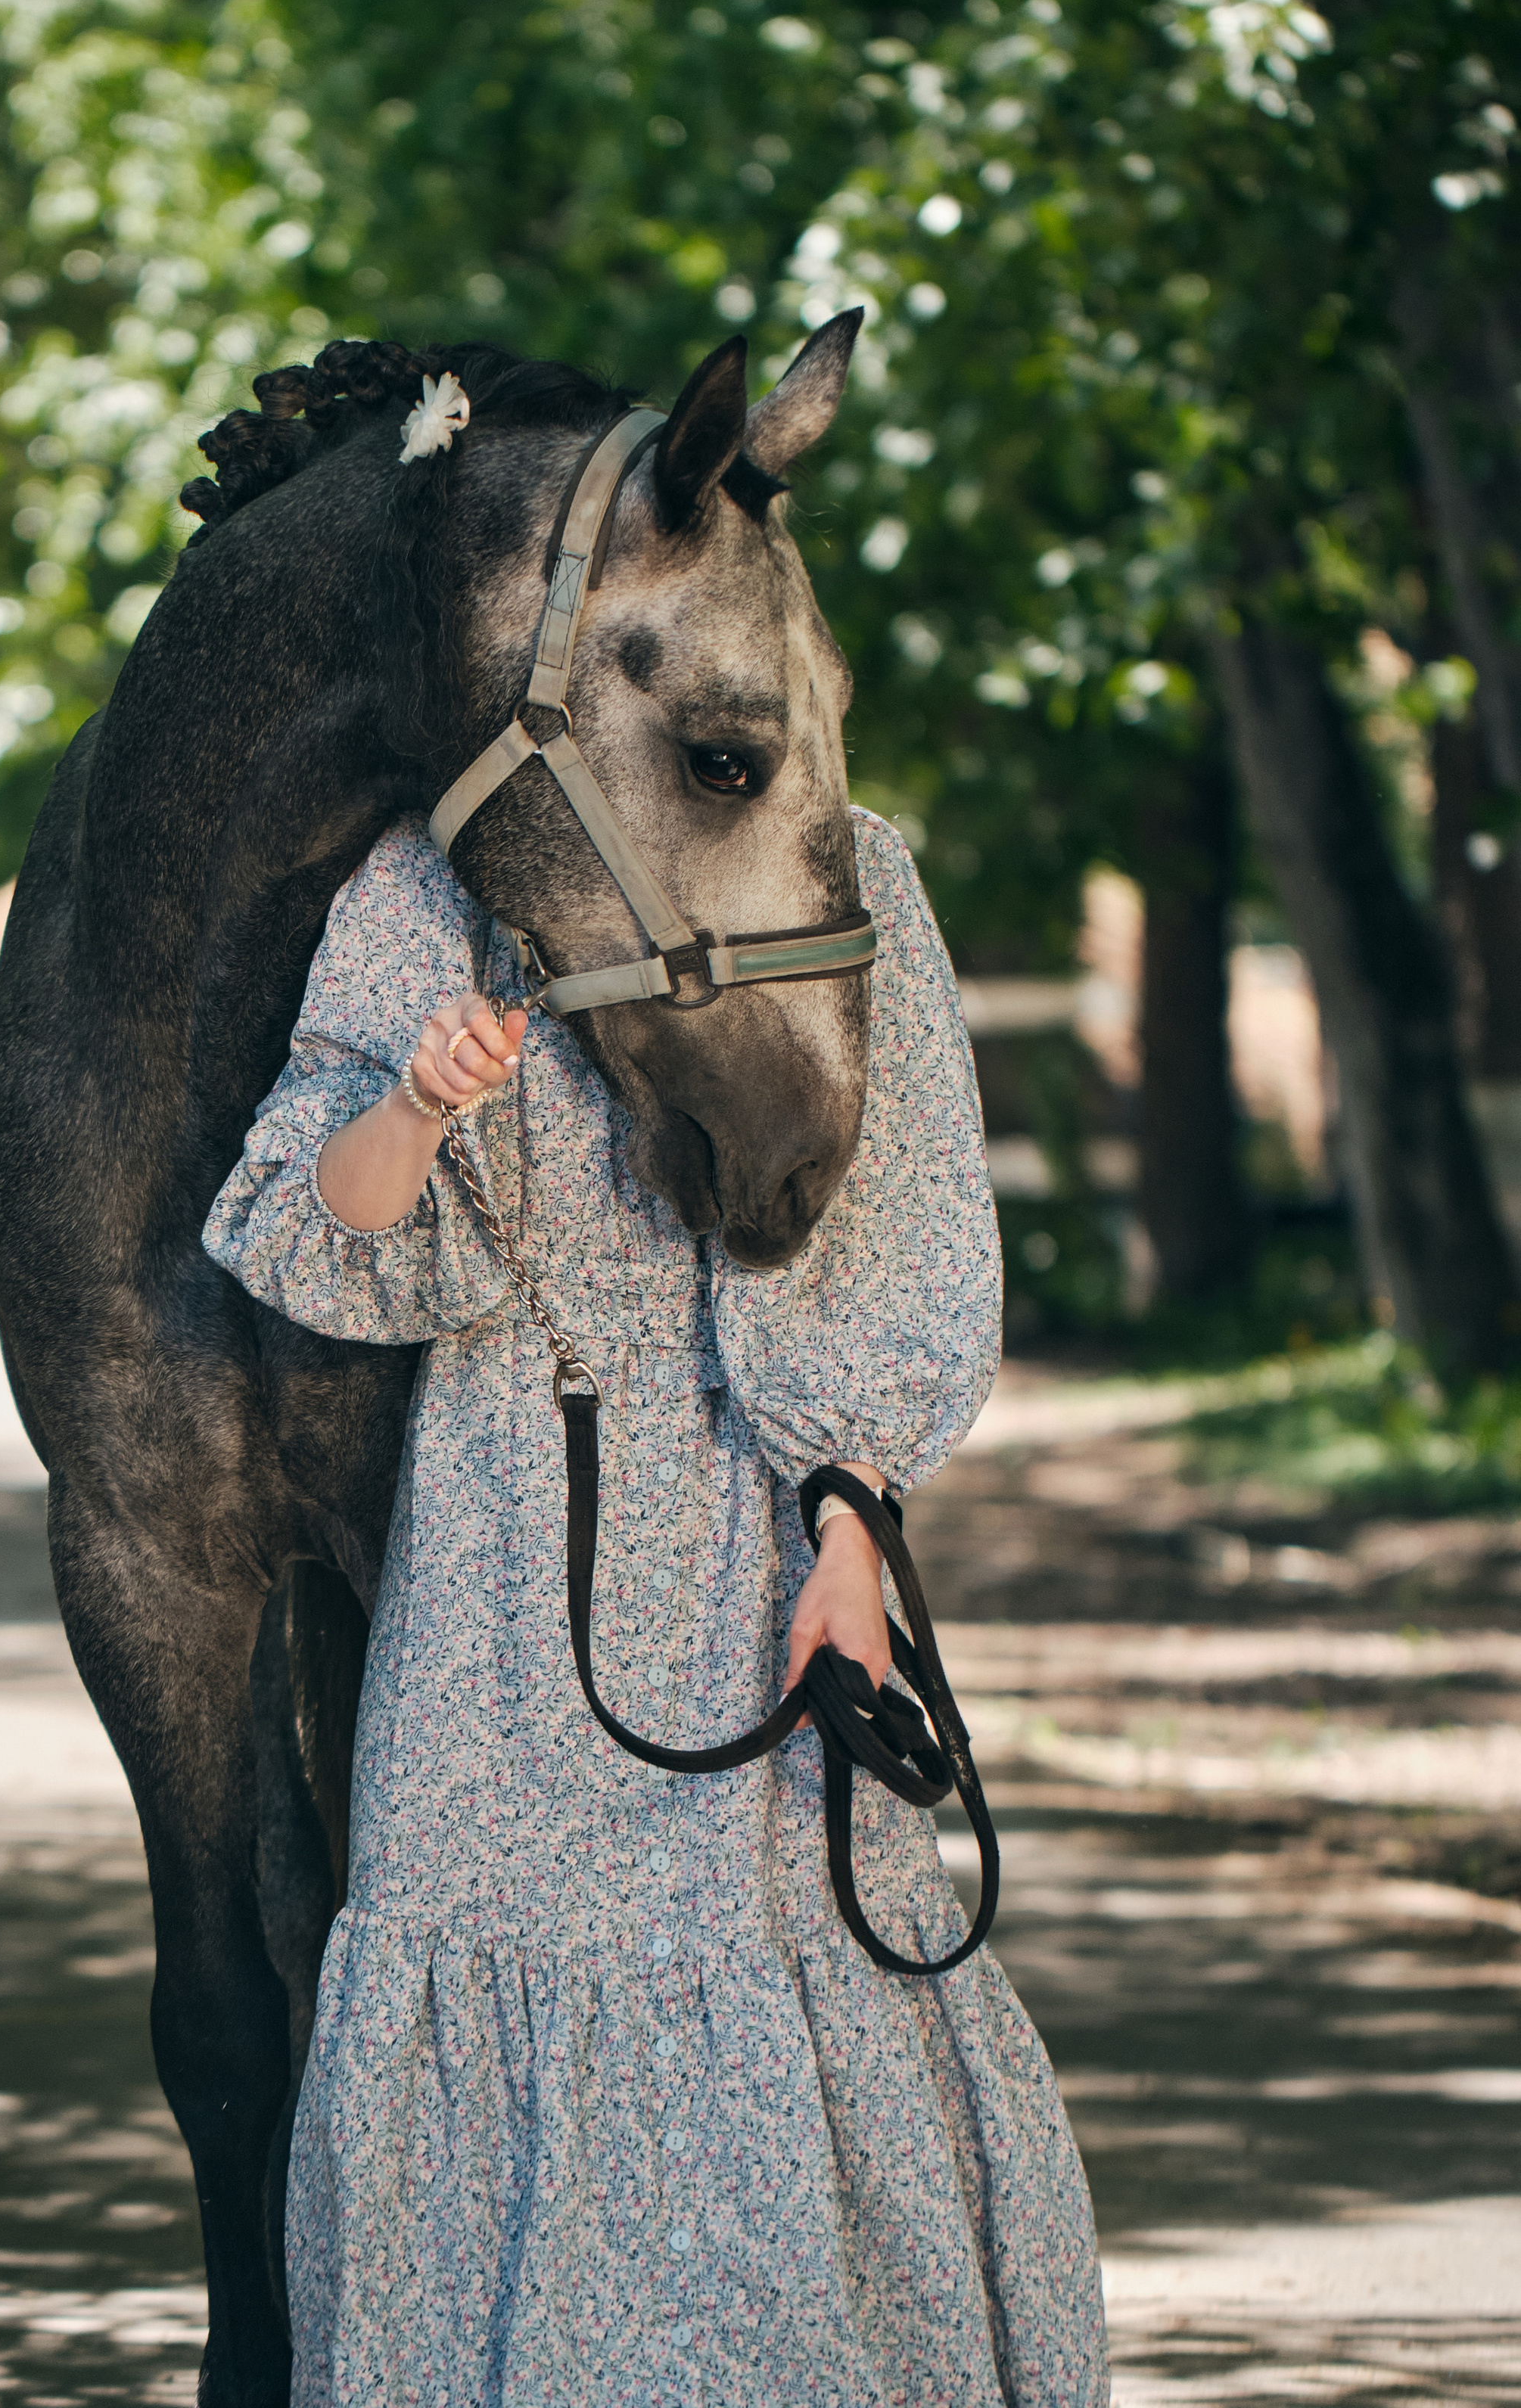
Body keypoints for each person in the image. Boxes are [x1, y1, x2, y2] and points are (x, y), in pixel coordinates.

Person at [203, 806, 1109, 2406]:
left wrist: (854, 1531)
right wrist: (418, 1100)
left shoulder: (847, 867)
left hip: (761, 1542)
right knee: (481, 1973)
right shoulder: (430, 890)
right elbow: (315, 1214)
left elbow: (901, 1228)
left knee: (780, 1966)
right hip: (501, 1561)